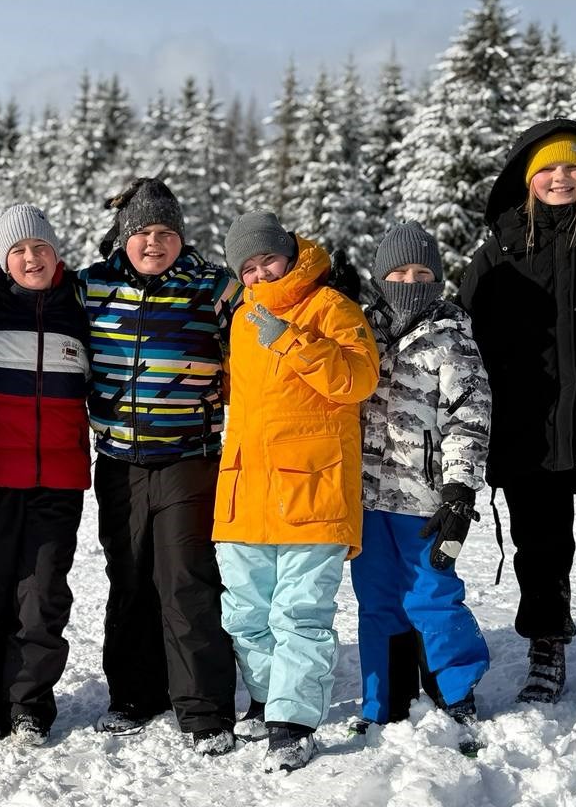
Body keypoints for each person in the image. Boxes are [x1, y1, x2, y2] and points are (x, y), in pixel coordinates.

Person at [460, 118, 576, 727]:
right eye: (548, 168)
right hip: (530, 432)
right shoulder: (498, 253)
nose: (560, 177)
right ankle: (546, 644)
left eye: (573, 167)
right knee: (539, 550)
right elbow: (465, 337)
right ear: (527, 178)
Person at [213, 211, 380, 772]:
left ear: (289, 254)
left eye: (268, 260)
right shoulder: (241, 318)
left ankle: (293, 722)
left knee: (299, 612)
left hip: (313, 487)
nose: (260, 273)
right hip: (246, 490)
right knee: (245, 614)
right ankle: (267, 698)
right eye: (249, 267)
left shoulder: (331, 307)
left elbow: (359, 380)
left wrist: (292, 341)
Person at [78, 177, 240, 755]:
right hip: (117, 461)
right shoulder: (91, 287)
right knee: (129, 578)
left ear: (181, 237)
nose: (154, 243)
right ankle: (134, 695)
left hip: (188, 458)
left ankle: (204, 708)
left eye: (166, 232)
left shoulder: (214, 287)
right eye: (143, 232)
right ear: (123, 236)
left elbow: (269, 315)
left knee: (185, 579)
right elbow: (33, 308)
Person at [0, 205, 91, 748]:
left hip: (59, 478)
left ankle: (30, 705)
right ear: (3, 259)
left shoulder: (79, 306)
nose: (31, 258)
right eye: (18, 250)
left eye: (40, 247)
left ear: (56, 253)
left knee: (44, 596)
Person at [353, 221, 491, 740]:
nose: (410, 281)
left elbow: (469, 416)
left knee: (432, 594)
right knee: (377, 599)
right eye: (399, 272)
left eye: (422, 272)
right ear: (380, 276)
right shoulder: (360, 331)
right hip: (367, 497)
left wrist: (460, 489)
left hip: (425, 498)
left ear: (437, 278)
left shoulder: (452, 335)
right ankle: (385, 698)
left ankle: (454, 691)